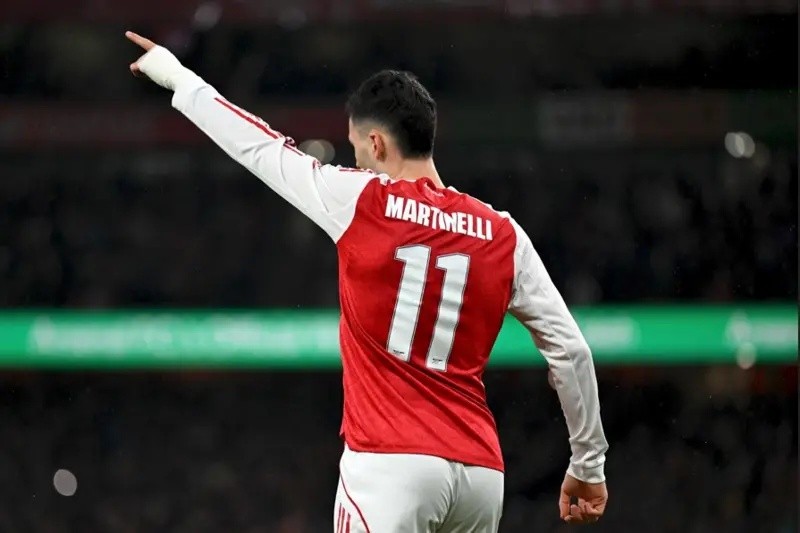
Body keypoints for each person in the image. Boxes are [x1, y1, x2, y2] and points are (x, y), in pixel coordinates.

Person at [125, 31, 609, 532]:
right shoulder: (503, 233)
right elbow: (571, 351)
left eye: (356, 148)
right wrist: (588, 465)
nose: (355, 159)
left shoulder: (359, 199)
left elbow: (260, 147)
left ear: (375, 142)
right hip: (481, 475)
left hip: (390, 464)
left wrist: (177, 76)